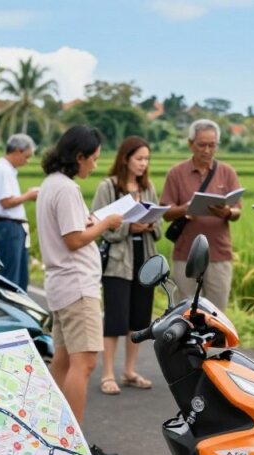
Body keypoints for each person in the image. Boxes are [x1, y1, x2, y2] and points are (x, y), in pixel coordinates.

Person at [37, 125, 123, 455]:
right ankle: (72, 442)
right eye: (93, 159)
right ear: (79, 157)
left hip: (60, 284)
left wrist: (92, 222)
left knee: (62, 361)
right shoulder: (68, 189)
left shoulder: (50, 185)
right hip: (77, 286)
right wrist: (106, 223)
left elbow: (69, 231)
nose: (95, 166)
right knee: (84, 363)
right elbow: (74, 240)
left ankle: (52, 432)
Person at [91, 136, 160, 396]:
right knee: (115, 318)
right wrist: (129, 227)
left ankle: (129, 371)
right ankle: (108, 373)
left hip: (145, 257)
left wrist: (150, 225)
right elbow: (98, 225)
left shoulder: (148, 187)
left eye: (147, 159)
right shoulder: (108, 187)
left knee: (140, 320)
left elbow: (159, 225)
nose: (144, 164)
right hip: (118, 262)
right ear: (125, 158)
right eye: (139, 158)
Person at [160, 119, 242, 311]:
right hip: (185, 253)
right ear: (190, 144)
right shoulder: (176, 173)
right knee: (185, 311)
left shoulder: (227, 172)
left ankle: (211, 343)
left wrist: (227, 212)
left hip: (219, 253)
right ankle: (187, 343)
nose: (206, 150)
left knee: (216, 313)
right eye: (201, 145)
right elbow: (166, 212)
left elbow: (238, 210)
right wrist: (185, 208)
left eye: (212, 145)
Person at [0, 134, 39, 290]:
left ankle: (15, 311)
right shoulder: (3, 170)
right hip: (8, 226)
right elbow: (6, 202)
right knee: (10, 277)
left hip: (14, 227)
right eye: (26, 156)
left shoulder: (7, 170)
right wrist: (28, 196)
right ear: (17, 151)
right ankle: (6, 311)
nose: (26, 161)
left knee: (19, 276)